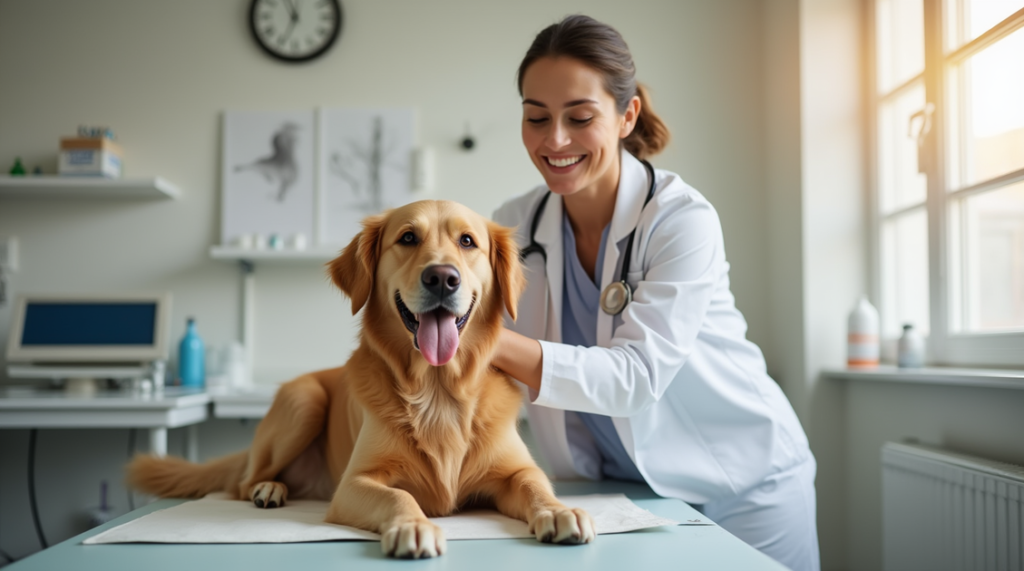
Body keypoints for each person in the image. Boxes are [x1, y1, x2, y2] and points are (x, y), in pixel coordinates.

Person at [491, 15, 820, 571]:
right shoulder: (513, 225)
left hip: (743, 484)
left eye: (580, 117)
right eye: (536, 117)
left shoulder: (680, 220)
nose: (555, 140)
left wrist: (480, 340)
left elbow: (635, 378)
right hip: (618, 493)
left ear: (627, 116)